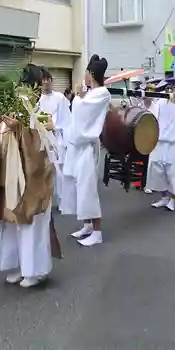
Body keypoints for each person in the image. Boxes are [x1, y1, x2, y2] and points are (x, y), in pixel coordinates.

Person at [0, 64, 61, 288]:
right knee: (13, 222)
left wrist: (21, 132)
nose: (27, 92)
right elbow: (3, 140)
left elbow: (45, 146)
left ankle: (36, 270)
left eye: (30, 87)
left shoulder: (43, 112)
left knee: (32, 223)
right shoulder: (15, 111)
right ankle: (18, 265)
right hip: (13, 177)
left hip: (35, 179)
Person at [60, 54, 111, 247]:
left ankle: (97, 232)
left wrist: (79, 98)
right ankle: (87, 225)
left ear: (91, 73)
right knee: (79, 186)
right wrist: (81, 97)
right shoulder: (90, 93)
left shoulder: (102, 93)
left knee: (88, 188)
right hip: (79, 146)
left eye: (86, 72)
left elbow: (82, 113)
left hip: (87, 146)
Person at [145, 79, 175, 211]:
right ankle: (164, 197)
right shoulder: (161, 102)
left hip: (173, 145)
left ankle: (173, 199)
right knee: (157, 171)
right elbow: (151, 116)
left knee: (173, 173)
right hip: (159, 142)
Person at [37, 68, 72, 208]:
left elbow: (67, 118)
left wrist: (55, 125)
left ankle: (63, 199)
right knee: (45, 169)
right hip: (42, 137)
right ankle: (46, 199)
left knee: (59, 169)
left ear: (51, 81)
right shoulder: (37, 99)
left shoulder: (60, 98)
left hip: (57, 137)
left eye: (48, 79)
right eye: (43, 80)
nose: (46, 82)